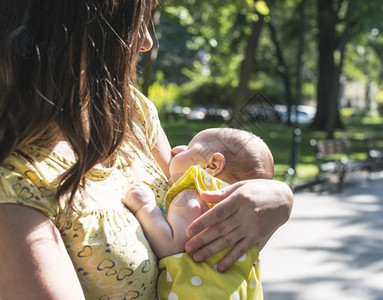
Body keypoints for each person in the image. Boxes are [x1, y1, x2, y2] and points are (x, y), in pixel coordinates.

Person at [0, 1, 294, 299]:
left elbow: (213, 234)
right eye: (133, 22)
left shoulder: (129, 111)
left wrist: (280, 198)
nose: (145, 41)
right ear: (72, 29)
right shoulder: (15, 184)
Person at [123, 127, 274, 299]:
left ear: (213, 165)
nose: (175, 150)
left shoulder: (193, 194)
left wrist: (144, 207)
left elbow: (172, 246)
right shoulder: (240, 212)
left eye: (189, 147)